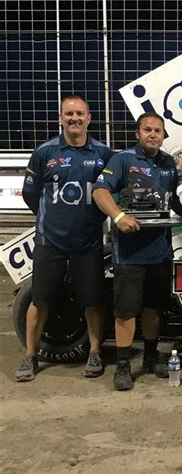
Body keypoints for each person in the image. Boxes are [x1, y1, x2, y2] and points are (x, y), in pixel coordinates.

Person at [15, 95, 113, 382]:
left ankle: (95, 352)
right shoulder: (44, 152)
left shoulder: (103, 154)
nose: (74, 118)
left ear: (89, 118)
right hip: (50, 243)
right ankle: (30, 355)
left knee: (93, 300)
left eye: (80, 113)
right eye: (69, 113)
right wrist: (52, 220)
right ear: (61, 118)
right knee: (40, 299)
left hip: (89, 243)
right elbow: (32, 194)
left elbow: (111, 193)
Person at [92, 112, 180, 392]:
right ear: (137, 134)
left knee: (153, 311)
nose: (153, 134)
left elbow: (176, 200)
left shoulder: (169, 163)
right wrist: (118, 217)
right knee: (126, 312)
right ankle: (122, 367)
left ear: (163, 135)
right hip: (128, 255)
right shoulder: (122, 160)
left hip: (160, 252)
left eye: (158, 130)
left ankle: (152, 358)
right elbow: (99, 191)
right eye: (147, 130)